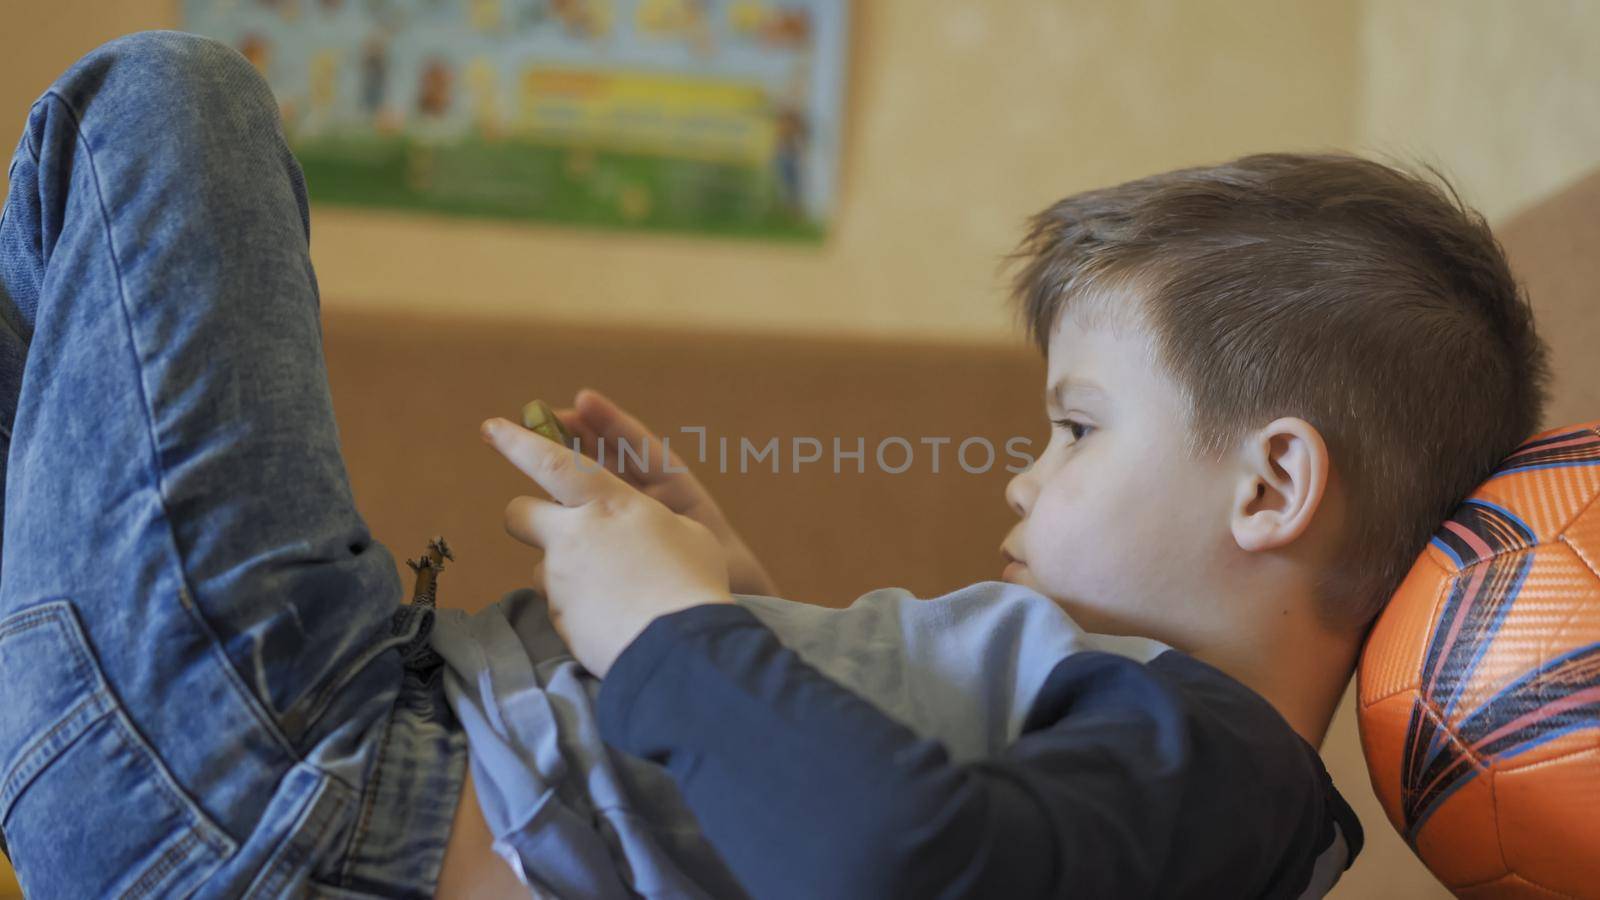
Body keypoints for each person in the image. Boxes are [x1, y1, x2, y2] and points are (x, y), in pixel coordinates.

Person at [0, 30, 1549, 900]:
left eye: (1075, 429)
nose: (1024, 478)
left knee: (157, 106)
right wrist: (736, 586)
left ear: (1274, 489)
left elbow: (890, 862)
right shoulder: (1127, 724)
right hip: (294, 786)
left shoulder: (1219, 781)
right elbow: (841, 805)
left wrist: (668, 634)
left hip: (302, 795)